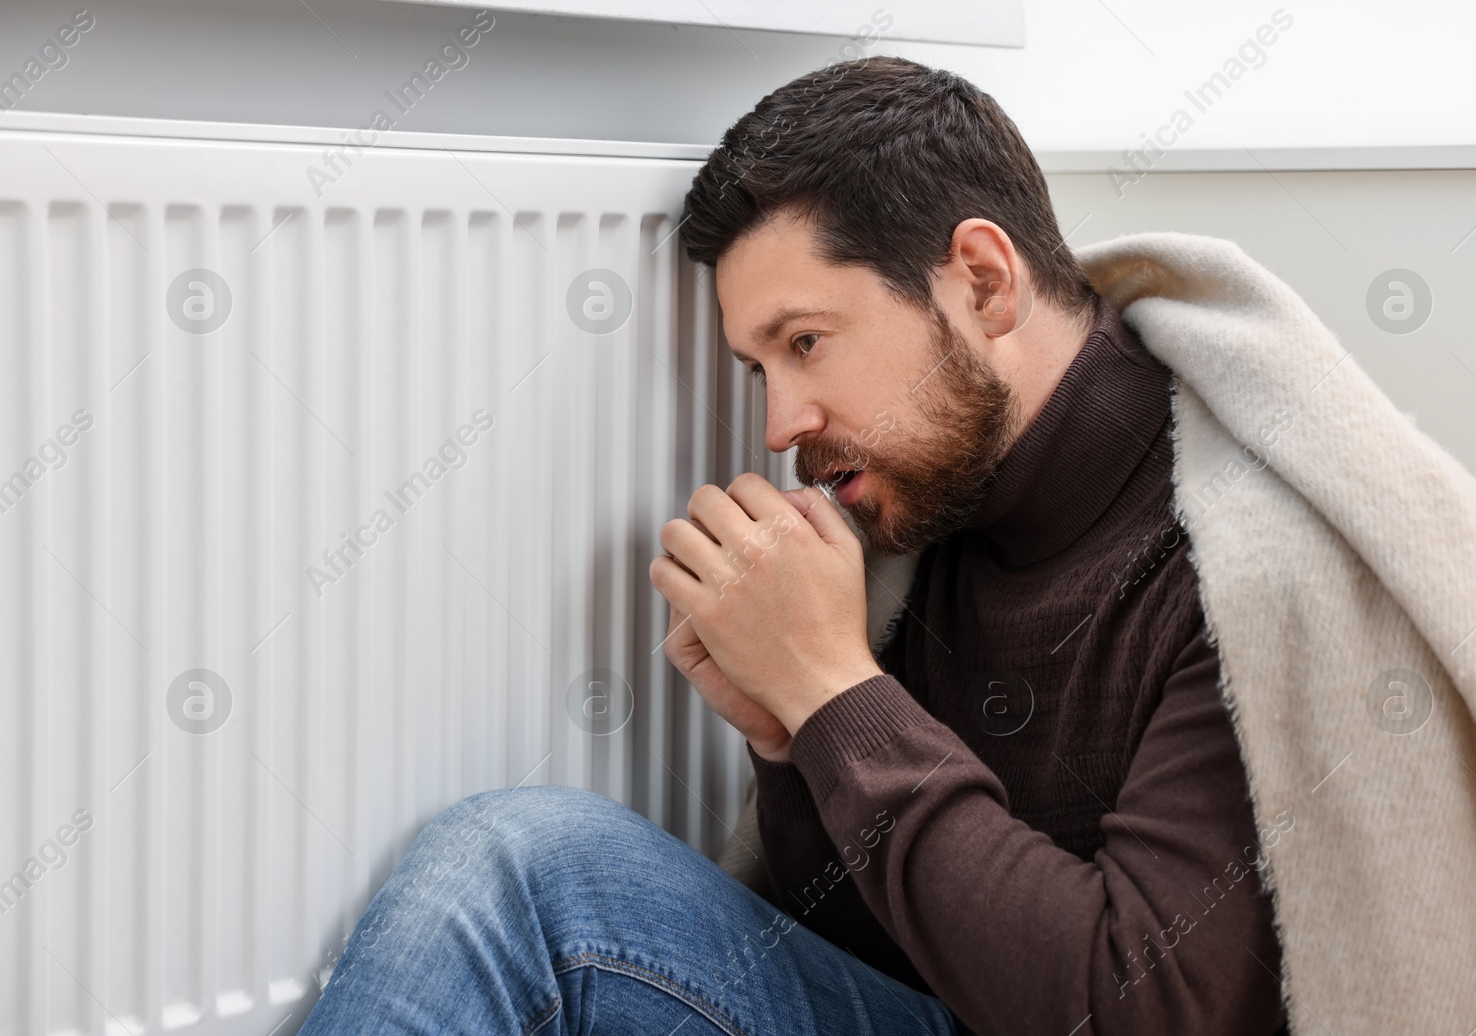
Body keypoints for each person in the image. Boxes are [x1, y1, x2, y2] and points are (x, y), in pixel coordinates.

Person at [300, 56, 1288, 1036]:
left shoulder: (1247, 558)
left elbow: (1155, 1007)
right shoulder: (946, 502)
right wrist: (792, 740)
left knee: (520, 864)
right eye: (755, 365)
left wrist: (831, 690)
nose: (779, 422)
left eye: (805, 341)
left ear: (982, 283)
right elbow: (877, 950)